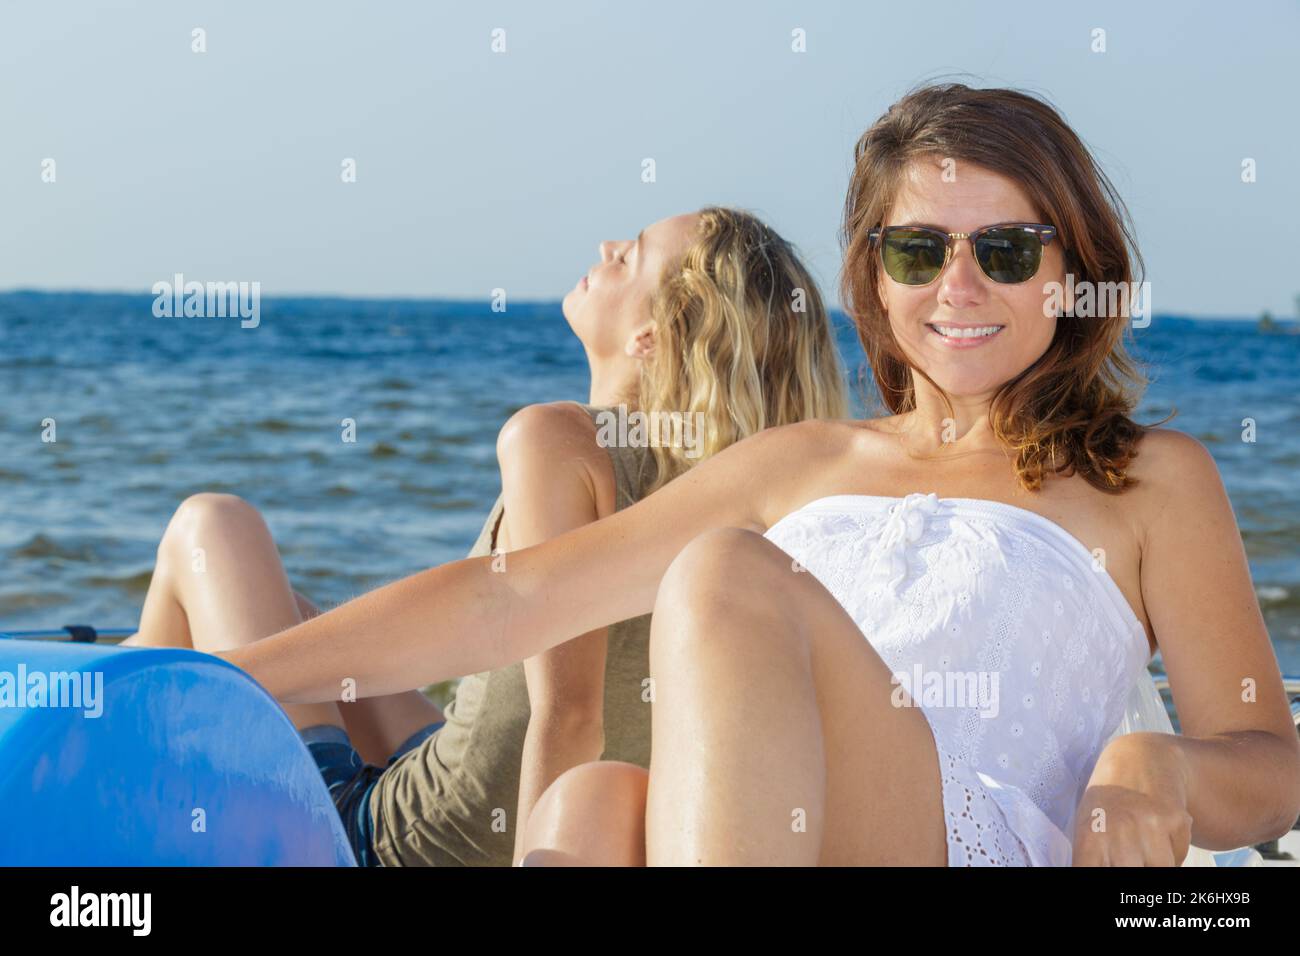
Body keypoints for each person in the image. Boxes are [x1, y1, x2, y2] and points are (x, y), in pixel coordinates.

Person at [218, 83, 1300, 866]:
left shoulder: (1145, 479)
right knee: (593, 802)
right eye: (919, 251)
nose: (959, 284)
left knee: (722, 570)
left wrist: (1157, 768)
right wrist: (236, 677)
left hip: (971, 842)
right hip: (764, 832)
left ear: (1073, 272)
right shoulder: (802, 462)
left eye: (1007, 251)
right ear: (873, 279)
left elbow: (1268, 761)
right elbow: (518, 597)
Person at [122, 206, 849, 866]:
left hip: (390, 841)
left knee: (212, 527)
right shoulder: (743, 498)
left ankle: (114, 761)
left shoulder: (561, 443)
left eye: (628, 257)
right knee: (299, 616)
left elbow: (569, 716)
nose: (604, 245)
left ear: (650, 336)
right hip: (480, 789)